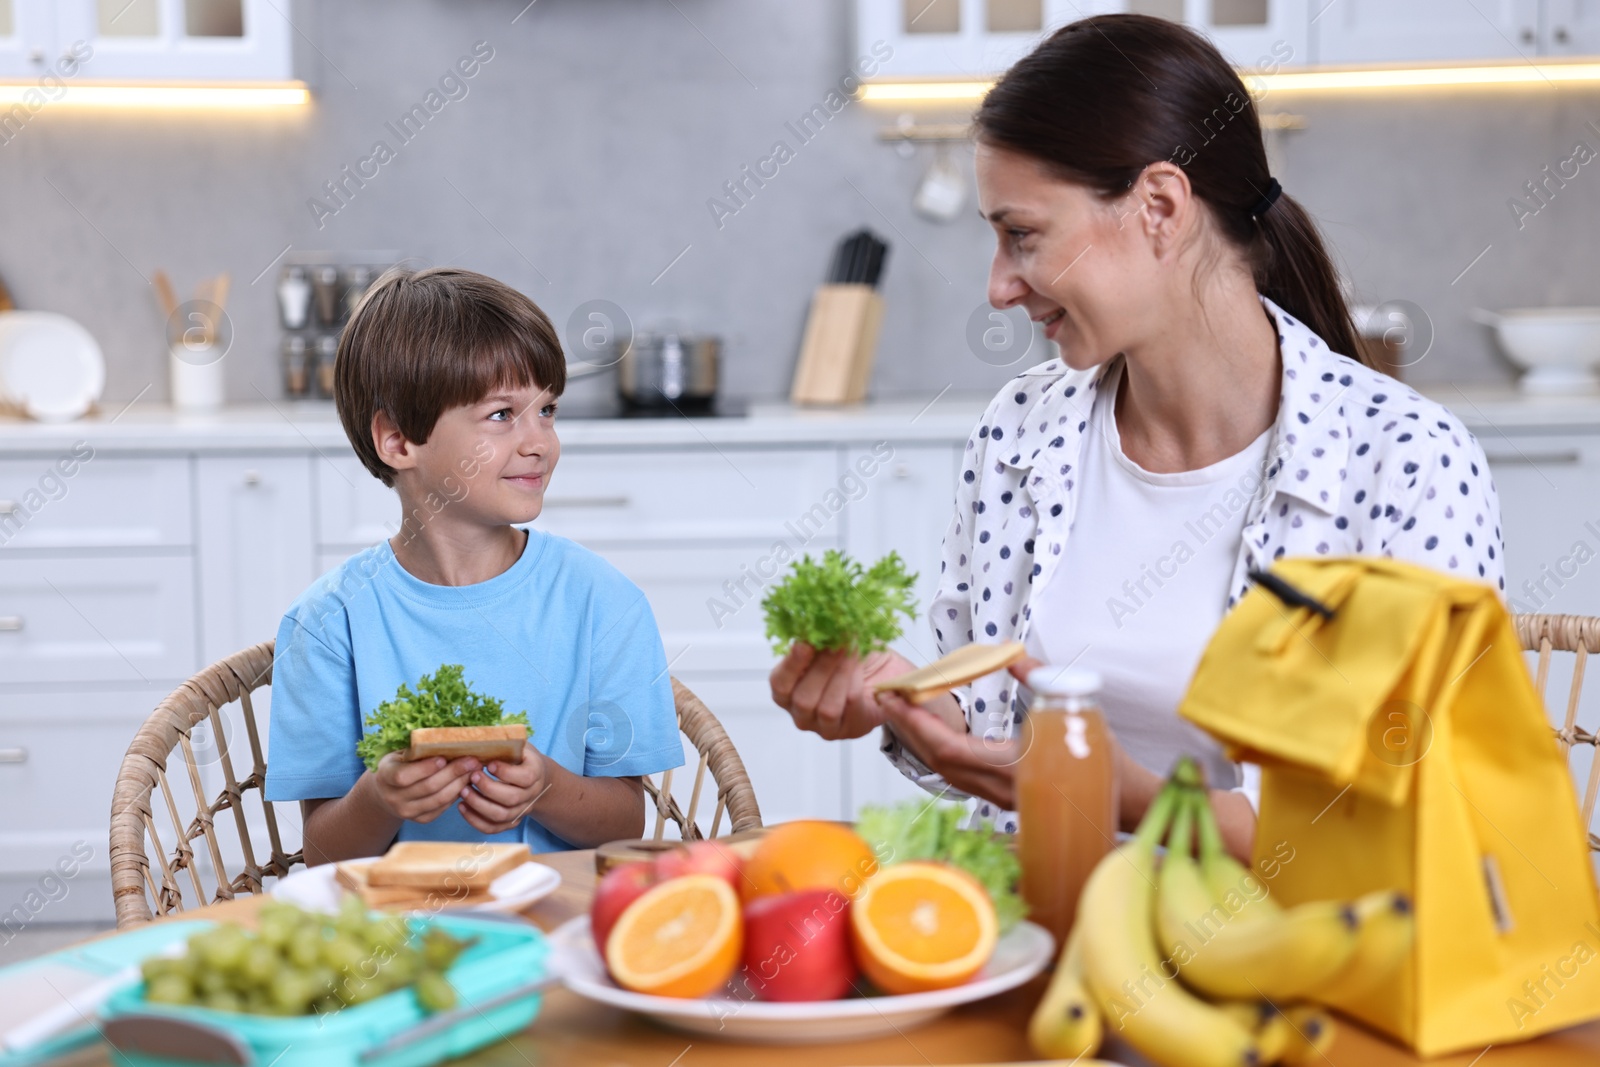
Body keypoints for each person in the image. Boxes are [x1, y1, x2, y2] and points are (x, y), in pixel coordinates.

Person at [770, 15, 1504, 861]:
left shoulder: (1404, 457)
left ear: (1159, 206)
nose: (999, 285)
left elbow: (1417, 827)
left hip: (1287, 968)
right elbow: (989, 718)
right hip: (1045, 941)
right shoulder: (1020, 431)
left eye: (1023, 234)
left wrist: (1130, 799)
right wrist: (900, 697)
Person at [265, 267, 684, 864]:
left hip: (558, 921)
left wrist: (547, 787)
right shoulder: (329, 624)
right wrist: (381, 797)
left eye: (548, 410)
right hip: (397, 942)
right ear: (399, 442)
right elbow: (322, 854)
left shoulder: (602, 602)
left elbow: (626, 827)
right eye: (501, 415)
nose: (539, 441)